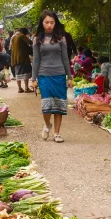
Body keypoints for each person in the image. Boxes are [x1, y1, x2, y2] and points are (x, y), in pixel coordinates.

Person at [30, 11, 73, 142]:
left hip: (59, 75)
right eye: (46, 22)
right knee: (46, 105)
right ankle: (47, 124)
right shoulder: (37, 39)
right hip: (44, 75)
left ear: (55, 23)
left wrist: (70, 77)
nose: (49, 25)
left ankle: (57, 133)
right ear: (42, 23)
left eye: (52, 22)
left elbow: (65, 58)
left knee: (59, 104)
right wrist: (33, 79)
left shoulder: (61, 38)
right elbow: (36, 60)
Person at [10, 28, 34, 93]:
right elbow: (31, 42)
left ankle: (20, 88)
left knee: (17, 73)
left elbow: (10, 47)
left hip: (15, 58)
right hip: (23, 57)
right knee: (26, 72)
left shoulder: (13, 36)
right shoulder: (22, 36)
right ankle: (26, 88)